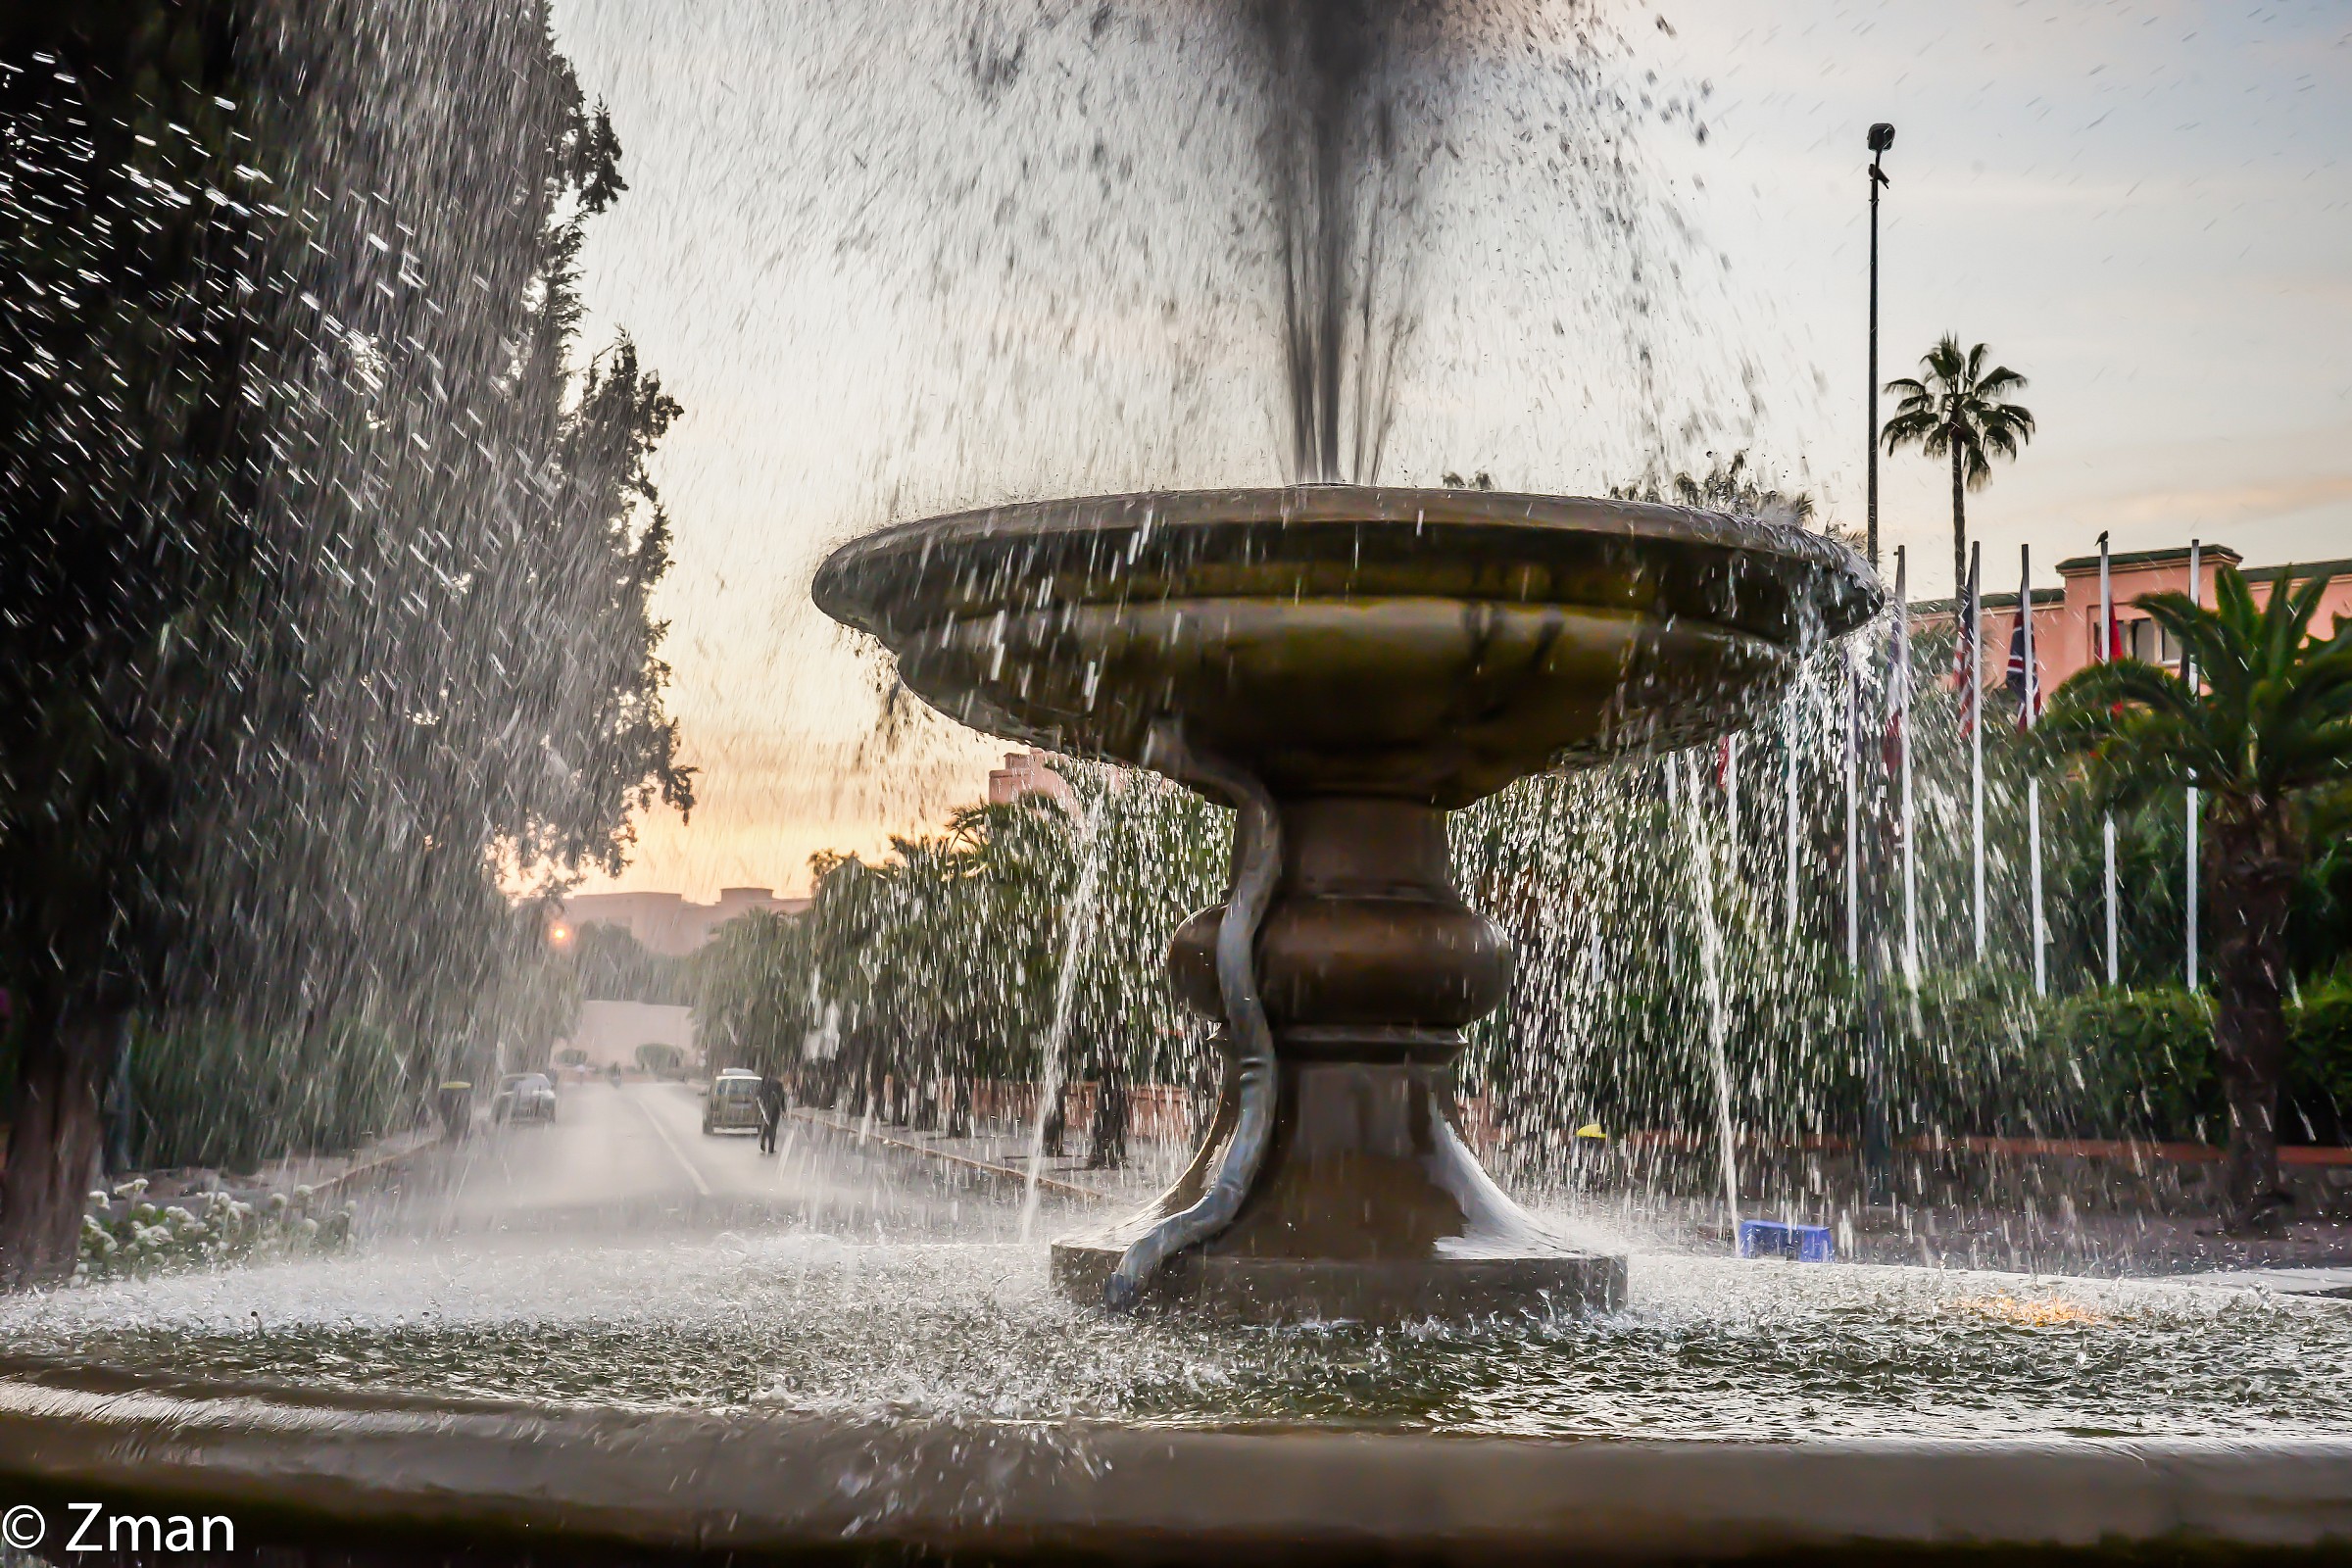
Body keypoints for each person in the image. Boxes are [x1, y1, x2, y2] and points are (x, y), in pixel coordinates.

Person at [757, 1071, 786, 1154]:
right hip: (775, 1108)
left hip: (766, 1107)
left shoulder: (764, 1083)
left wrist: (763, 1105)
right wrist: (783, 1109)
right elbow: (782, 1097)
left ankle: (763, 1140)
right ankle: (771, 1147)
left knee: (766, 1124)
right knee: (773, 1128)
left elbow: (759, 1095)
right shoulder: (779, 1084)